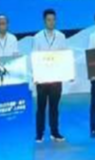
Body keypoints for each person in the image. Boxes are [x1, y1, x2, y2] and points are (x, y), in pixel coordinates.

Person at [32, 9, 68, 143]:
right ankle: (39, 133)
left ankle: (55, 132)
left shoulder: (61, 36)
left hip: (56, 78)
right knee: (41, 107)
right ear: (44, 21)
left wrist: (67, 73)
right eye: (48, 20)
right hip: (42, 79)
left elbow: (64, 56)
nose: (51, 22)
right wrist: (36, 76)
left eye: (53, 19)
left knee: (54, 107)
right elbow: (34, 57)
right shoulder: (37, 37)